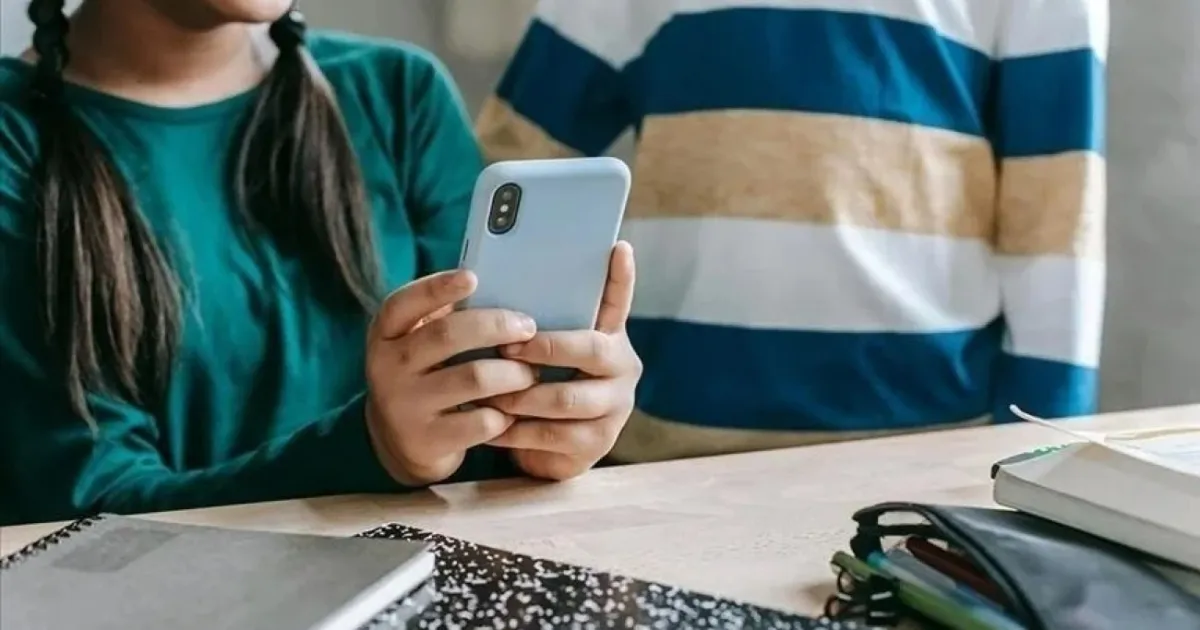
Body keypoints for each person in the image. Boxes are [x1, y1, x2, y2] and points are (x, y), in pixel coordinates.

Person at [0, 0, 642, 527]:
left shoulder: (399, 94)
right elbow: (83, 510)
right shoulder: (15, 136)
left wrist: (549, 429)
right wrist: (375, 449)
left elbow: (487, 427)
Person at [479, 0, 1107, 462]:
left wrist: (1046, 459)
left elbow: (1056, 217)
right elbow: (503, 175)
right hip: (662, 450)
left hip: (924, 455)